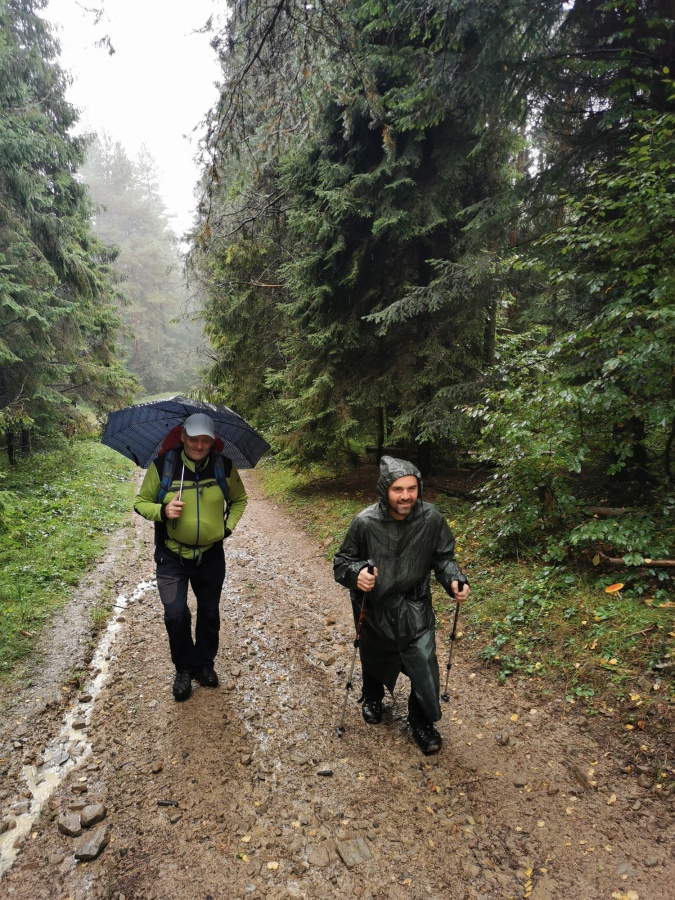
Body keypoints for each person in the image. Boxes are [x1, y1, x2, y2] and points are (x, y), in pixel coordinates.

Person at [333, 455, 470, 753]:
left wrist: (454, 580)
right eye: (398, 489)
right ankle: (372, 697)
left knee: (423, 660)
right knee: (374, 652)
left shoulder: (431, 519)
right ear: (385, 490)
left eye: (411, 488)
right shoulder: (365, 522)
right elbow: (342, 562)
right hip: (374, 604)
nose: (406, 496)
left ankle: (421, 720)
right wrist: (357, 574)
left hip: (414, 604)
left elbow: (443, 558)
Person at [134, 413, 248, 701]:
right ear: (183, 436)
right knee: (176, 614)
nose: (199, 445)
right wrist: (163, 511)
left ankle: (205, 664)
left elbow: (239, 499)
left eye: (205, 440)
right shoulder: (163, 467)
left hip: (210, 557)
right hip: (171, 556)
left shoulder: (223, 467)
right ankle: (183, 668)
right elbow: (140, 502)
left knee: (209, 612)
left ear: (213, 441)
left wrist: (227, 528)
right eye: (194, 439)